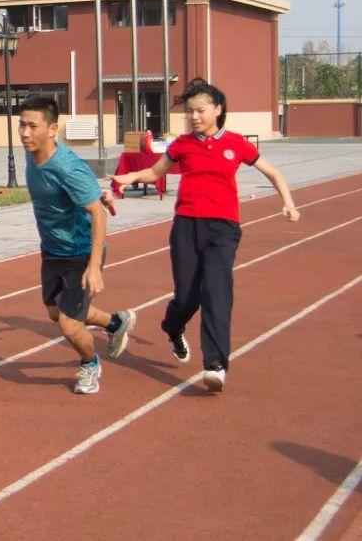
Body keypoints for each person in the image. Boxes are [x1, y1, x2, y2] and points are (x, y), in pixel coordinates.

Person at [111, 78, 300, 392]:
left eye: (200, 110)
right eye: (190, 111)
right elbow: (156, 172)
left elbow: (273, 173)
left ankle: (215, 365)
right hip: (186, 226)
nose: (194, 116)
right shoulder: (183, 144)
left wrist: (288, 203)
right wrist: (129, 176)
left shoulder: (237, 143)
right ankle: (173, 327)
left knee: (216, 291)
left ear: (218, 109)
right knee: (187, 297)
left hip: (223, 228)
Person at [20, 96, 135, 395]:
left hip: (80, 252)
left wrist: (94, 266)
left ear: (52, 130)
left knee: (69, 325)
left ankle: (89, 363)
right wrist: (99, 194)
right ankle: (116, 323)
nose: (25, 133)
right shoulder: (31, 154)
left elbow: (97, 213)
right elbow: (87, 193)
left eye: (33, 126)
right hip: (52, 250)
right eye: (22, 125)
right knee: (55, 312)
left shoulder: (66, 167)